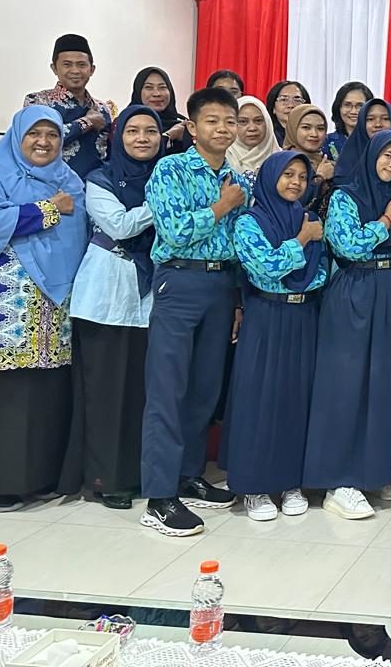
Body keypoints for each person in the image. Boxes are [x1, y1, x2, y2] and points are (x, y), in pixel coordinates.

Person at [0, 106, 87, 511]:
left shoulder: (70, 181)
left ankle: (38, 476)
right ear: (17, 137)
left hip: (54, 303)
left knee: (44, 391)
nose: (43, 142)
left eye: (52, 135)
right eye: (34, 134)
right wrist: (46, 210)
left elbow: (78, 233)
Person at [139, 87, 250, 536]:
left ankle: (188, 476)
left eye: (229, 121)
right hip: (179, 281)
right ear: (192, 125)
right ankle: (159, 496)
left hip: (221, 285)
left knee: (204, 389)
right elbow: (175, 230)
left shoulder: (238, 177)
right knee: (168, 389)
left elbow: (240, 241)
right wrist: (221, 207)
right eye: (212, 120)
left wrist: (238, 297)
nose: (223, 129)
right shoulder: (171, 169)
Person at [303, 130, 391, 520]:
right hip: (356, 288)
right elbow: (347, 244)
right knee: (348, 383)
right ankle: (339, 480)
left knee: (383, 382)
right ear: (372, 155)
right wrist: (385, 221)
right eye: (388, 156)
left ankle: (374, 472)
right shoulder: (346, 196)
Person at [62, 105, 161, 510]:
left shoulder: (164, 175)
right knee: (105, 392)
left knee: (141, 390)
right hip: (106, 293)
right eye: (132, 131)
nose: (142, 138)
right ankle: (105, 479)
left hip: (150, 294)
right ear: (119, 137)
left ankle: (138, 473)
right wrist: (164, 204)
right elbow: (119, 225)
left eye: (150, 131)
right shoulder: (99, 179)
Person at [224, 151, 328, 522]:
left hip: (304, 316)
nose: (295, 183)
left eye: (301, 176)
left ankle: (290, 483)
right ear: (270, 178)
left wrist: (296, 254)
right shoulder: (250, 222)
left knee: (297, 399)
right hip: (266, 315)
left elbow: (321, 271)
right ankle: (254, 486)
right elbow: (264, 268)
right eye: (287, 175)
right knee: (260, 398)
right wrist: (301, 240)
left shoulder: (310, 217)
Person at [24, 33, 115, 177]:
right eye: (67, 64)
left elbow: (109, 152)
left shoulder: (102, 109)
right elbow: (39, 141)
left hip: (95, 186)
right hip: (50, 184)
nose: (75, 71)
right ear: (54, 68)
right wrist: (86, 122)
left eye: (81, 65)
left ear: (92, 70)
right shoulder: (38, 102)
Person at [282, 104, 335, 214]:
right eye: (306, 127)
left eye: (320, 128)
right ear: (293, 128)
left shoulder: (329, 164)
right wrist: (320, 177)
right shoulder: (282, 164)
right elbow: (292, 204)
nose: (314, 134)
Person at [130, 67, 191, 158]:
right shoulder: (126, 123)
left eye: (162, 87)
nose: (157, 94)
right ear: (138, 91)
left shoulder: (183, 125)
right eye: (149, 87)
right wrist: (170, 135)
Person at [227, 96, 277, 178]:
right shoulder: (221, 159)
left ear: (268, 123)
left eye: (258, 120)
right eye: (243, 121)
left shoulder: (282, 160)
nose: (252, 128)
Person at [325, 82, 376, 161]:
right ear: (338, 107)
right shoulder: (326, 141)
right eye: (347, 105)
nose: (353, 111)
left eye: (360, 105)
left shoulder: (377, 141)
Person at [265, 80, 311, 145]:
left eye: (297, 100)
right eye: (284, 100)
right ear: (273, 108)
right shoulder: (265, 137)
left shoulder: (314, 135)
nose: (291, 105)